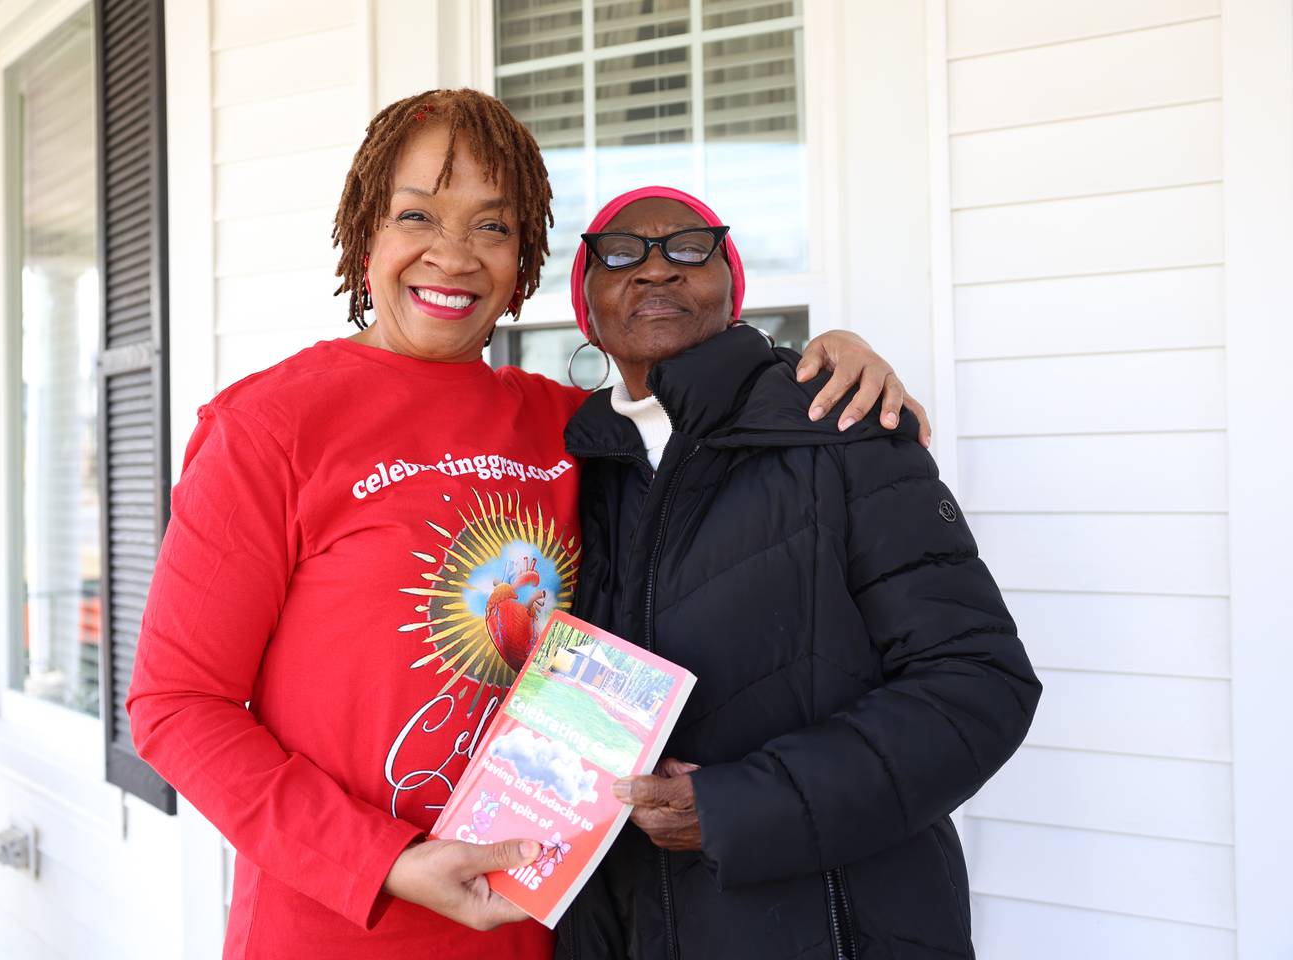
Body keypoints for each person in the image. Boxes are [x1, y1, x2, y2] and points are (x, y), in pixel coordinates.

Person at [126, 90, 927, 960]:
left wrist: (827, 363)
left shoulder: (575, 428)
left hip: (554, 928)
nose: (452, 254)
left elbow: (715, 417)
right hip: (342, 929)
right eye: (415, 216)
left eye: (491, 228)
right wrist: (385, 862)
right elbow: (176, 707)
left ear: (524, 262)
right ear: (366, 240)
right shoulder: (269, 426)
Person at [556, 186, 1041, 960]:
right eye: (620, 253)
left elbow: (979, 683)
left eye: (689, 247)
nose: (655, 270)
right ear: (588, 304)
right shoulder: (578, 470)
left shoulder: (840, 427)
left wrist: (737, 810)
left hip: (843, 930)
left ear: (732, 288)